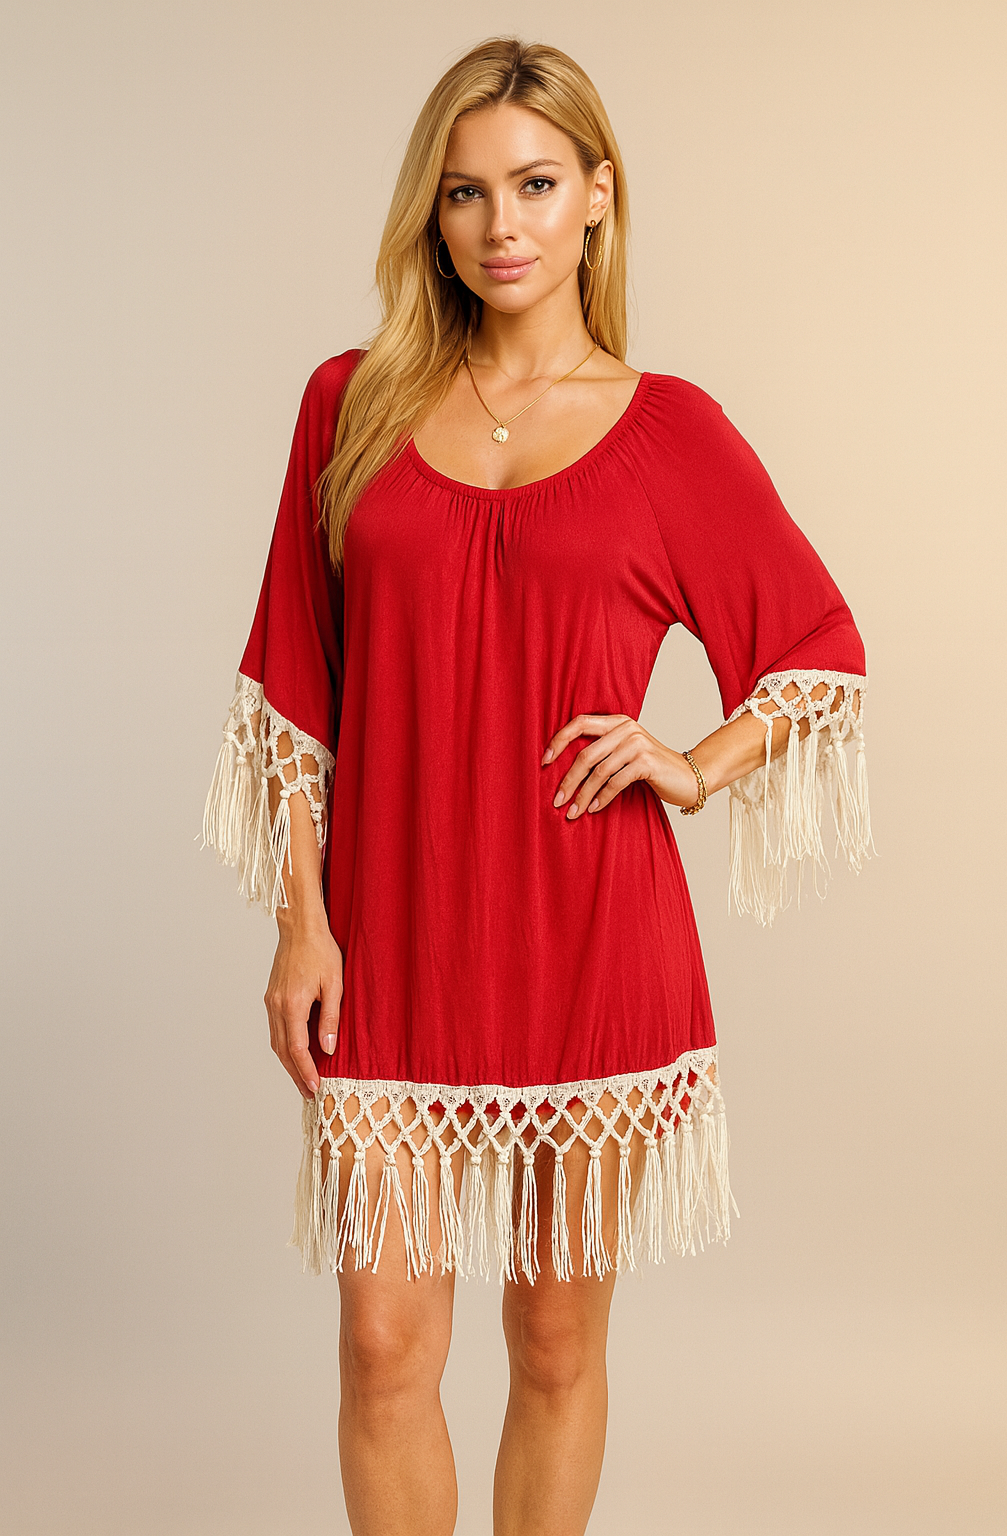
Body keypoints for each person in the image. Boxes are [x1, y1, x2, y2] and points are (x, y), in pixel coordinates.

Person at [201, 34, 872, 1536]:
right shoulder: (350, 404)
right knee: (384, 1344)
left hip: (588, 936)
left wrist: (693, 764)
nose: (500, 224)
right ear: (430, 214)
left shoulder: (667, 430)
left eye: (535, 185)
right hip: (392, 934)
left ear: (597, 198)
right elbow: (297, 685)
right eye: (464, 192)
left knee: (554, 1341)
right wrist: (301, 924)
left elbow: (818, 648)